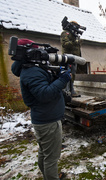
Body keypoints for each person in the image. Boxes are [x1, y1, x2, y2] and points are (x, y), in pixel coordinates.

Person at [11, 39, 71, 180]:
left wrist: (56, 78)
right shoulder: (32, 71)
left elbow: (44, 87)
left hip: (44, 118)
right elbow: (45, 94)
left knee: (44, 153)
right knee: (51, 157)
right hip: (48, 121)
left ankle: (48, 175)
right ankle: (51, 176)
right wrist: (62, 80)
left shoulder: (31, 68)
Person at [60, 20, 85, 97]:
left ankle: (72, 90)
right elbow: (65, 44)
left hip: (74, 58)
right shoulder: (65, 33)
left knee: (73, 74)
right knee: (67, 73)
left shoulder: (74, 35)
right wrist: (75, 41)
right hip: (68, 57)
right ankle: (66, 91)